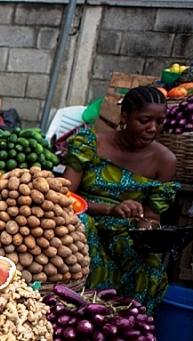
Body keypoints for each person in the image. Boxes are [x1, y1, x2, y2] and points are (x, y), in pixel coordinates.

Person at [63, 86, 178, 315]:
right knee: (82, 230)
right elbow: (64, 197)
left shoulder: (164, 160)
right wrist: (110, 209)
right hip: (85, 221)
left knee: (148, 267)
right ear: (125, 117)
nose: (152, 129)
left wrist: (148, 229)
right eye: (144, 120)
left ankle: (125, 326)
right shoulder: (90, 145)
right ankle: (76, 318)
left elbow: (152, 217)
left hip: (125, 233)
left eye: (160, 121)